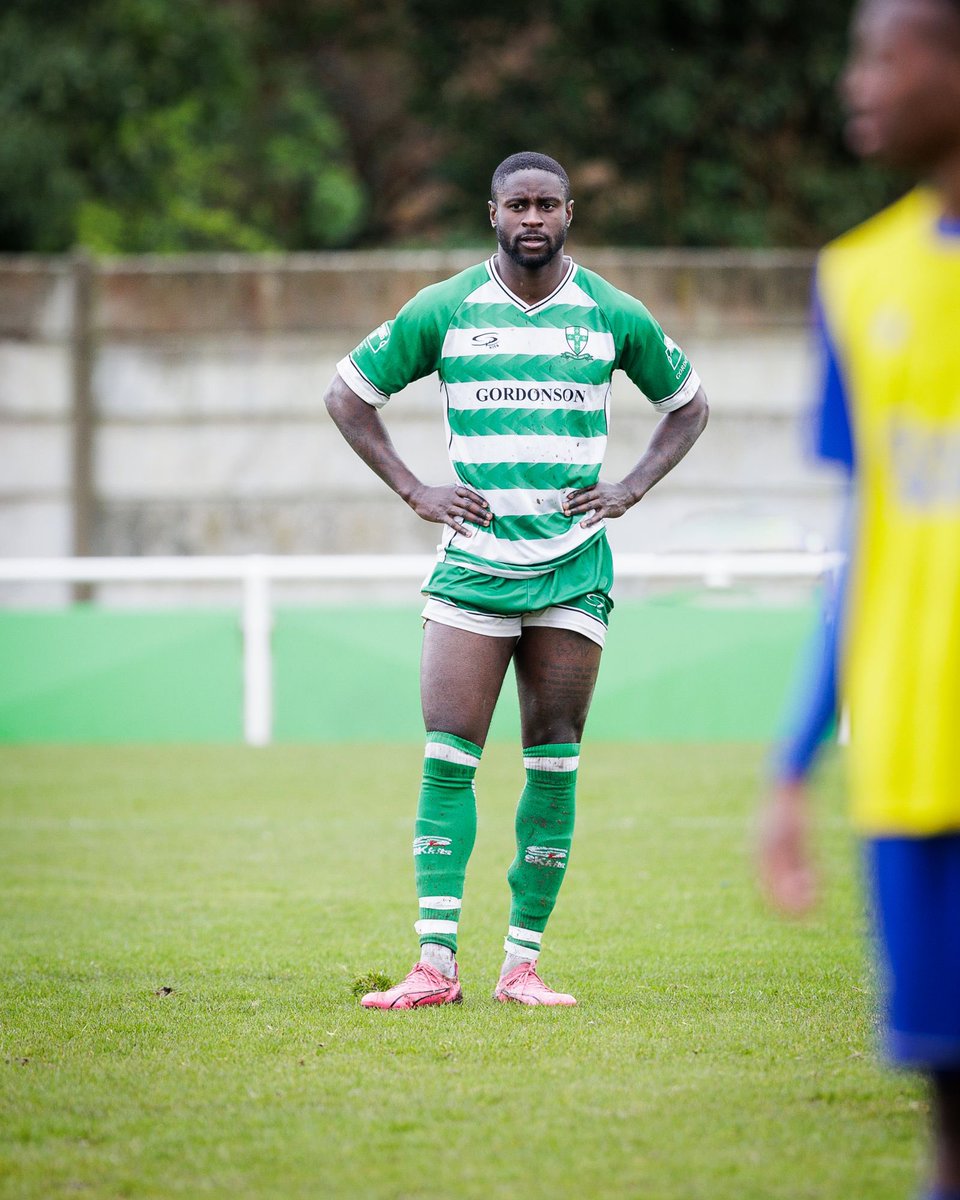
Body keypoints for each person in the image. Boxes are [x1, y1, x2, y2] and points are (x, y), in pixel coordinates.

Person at [325, 150, 708, 1008]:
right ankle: (434, 966)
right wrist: (415, 488)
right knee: (448, 759)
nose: (531, 219)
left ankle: (521, 966)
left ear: (570, 213)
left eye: (547, 206)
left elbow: (688, 403)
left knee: (553, 763)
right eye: (516, 206)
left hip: (573, 572)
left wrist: (630, 487)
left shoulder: (610, 313)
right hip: (471, 572)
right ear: (491, 212)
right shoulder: (447, 309)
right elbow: (349, 393)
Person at [759, 1, 960, 1196]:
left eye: (891, 50)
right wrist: (792, 764)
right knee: (945, 1104)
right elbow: (871, 536)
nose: (860, 81)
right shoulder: (855, 279)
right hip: (912, 762)